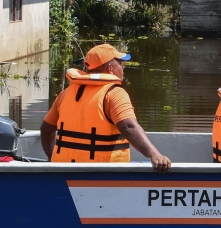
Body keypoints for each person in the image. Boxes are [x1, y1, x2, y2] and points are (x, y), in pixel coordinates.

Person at [40, 43, 171, 171]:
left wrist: (52, 157)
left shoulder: (66, 93)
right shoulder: (114, 93)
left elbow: (46, 128)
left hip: (64, 171)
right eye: (120, 63)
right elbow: (129, 127)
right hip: (103, 173)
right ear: (110, 68)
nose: (122, 67)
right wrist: (155, 155)